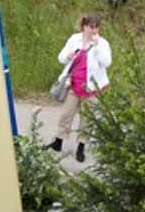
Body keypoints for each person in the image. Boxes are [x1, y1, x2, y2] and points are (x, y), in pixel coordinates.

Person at [48, 15, 112, 163]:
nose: (94, 30)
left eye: (96, 27)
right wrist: (68, 56)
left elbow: (107, 62)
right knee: (66, 114)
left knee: (87, 119)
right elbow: (61, 57)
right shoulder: (74, 39)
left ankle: (81, 147)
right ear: (84, 26)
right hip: (73, 84)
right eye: (91, 27)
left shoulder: (102, 43)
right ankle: (58, 142)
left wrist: (96, 47)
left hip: (92, 87)